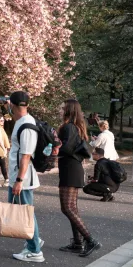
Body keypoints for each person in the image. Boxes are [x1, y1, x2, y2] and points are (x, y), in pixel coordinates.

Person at [56, 99, 101, 257]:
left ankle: (90, 240)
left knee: (67, 208)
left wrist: (55, 147)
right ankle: (77, 243)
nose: (60, 109)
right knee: (72, 208)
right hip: (73, 168)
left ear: (68, 109)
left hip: (70, 169)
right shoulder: (76, 127)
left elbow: (67, 148)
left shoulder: (68, 127)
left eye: (62, 107)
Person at [6, 91, 45, 263]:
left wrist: (19, 181)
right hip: (18, 175)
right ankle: (34, 241)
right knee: (24, 211)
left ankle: (35, 250)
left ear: (12, 105)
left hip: (23, 178)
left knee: (25, 213)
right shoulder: (21, 122)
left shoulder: (27, 125)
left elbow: (26, 156)